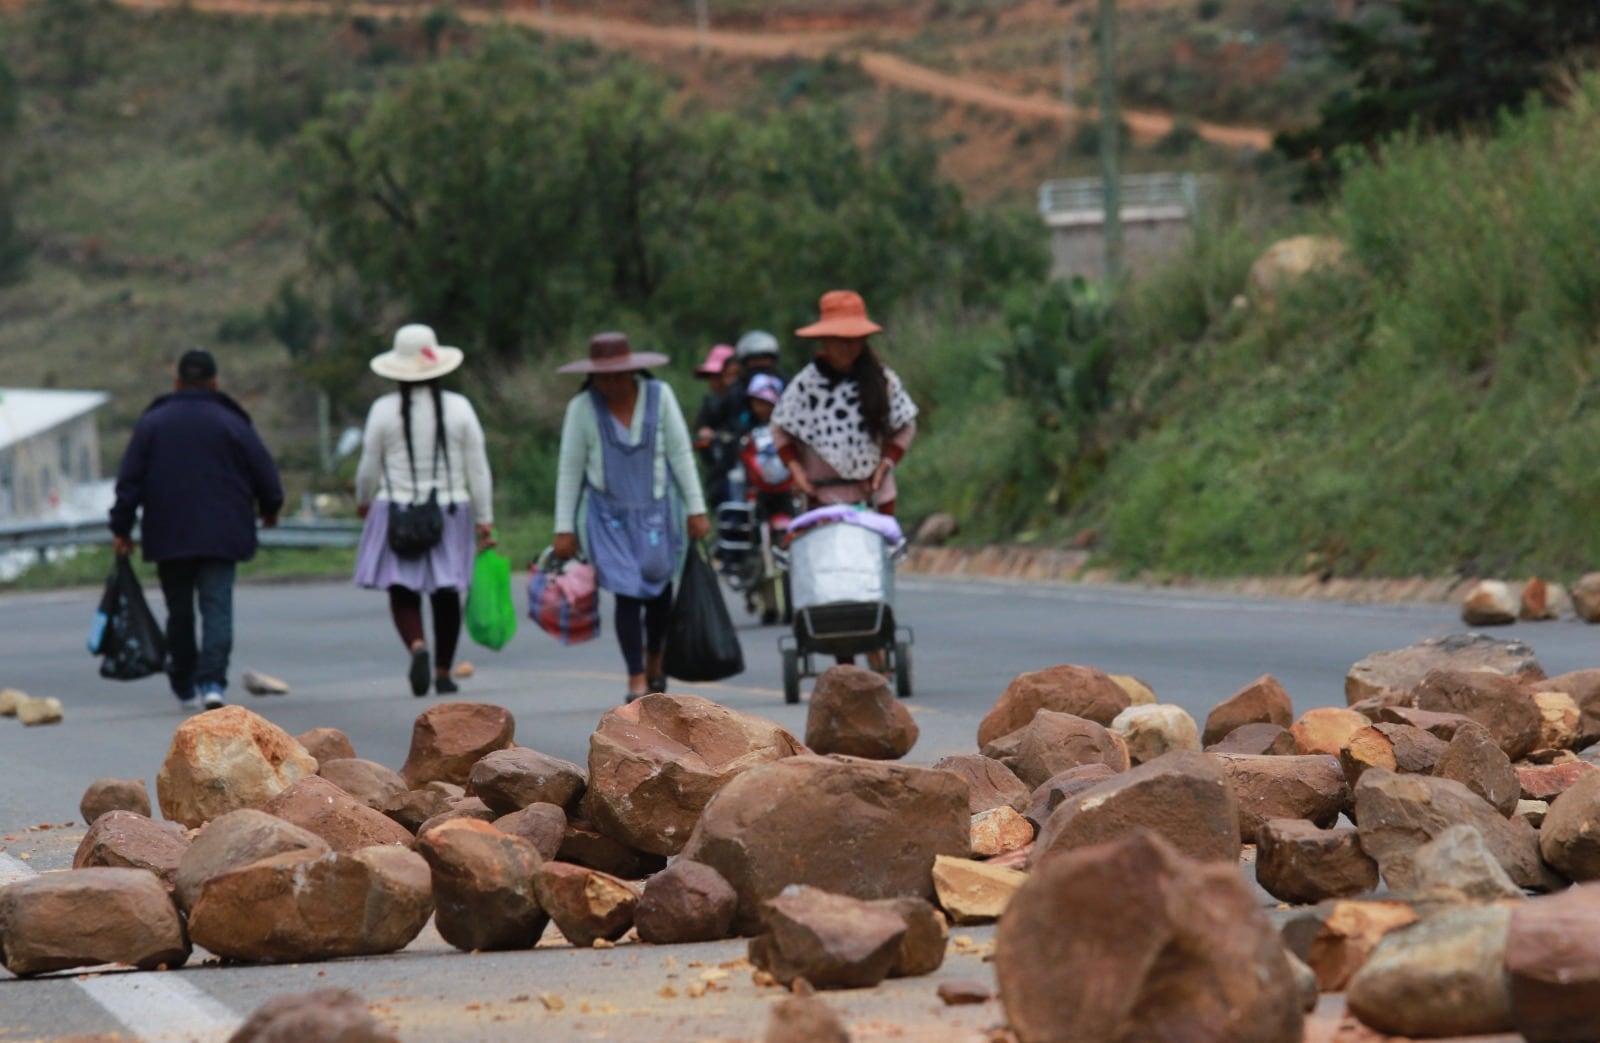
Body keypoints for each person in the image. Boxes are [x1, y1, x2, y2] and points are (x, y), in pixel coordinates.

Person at [109, 348, 284, 710]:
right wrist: (270, 508)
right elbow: (263, 471)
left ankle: (184, 681)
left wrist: (122, 527)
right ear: (215, 382)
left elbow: (130, 481)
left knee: (180, 611)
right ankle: (212, 683)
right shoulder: (232, 421)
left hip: (169, 533)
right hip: (223, 533)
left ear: (177, 383)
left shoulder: (152, 423)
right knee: (216, 606)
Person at [552, 332, 710, 703]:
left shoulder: (660, 397)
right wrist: (564, 527)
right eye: (602, 378)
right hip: (608, 517)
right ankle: (636, 676)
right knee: (626, 593)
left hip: (656, 512)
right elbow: (570, 469)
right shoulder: (583, 408)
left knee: (658, 593)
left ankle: (655, 656)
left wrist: (696, 507)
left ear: (632, 371)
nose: (610, 385)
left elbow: (681, 454)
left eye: (617, 376)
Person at [353, 324, 495, 697]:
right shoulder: (460, 407)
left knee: (403, 588)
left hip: (397, 508)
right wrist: (485, 518)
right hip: (450, 509)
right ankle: (444, 672)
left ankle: (417, 645)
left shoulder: (382, 410)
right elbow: (477, 468)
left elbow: (368, 466)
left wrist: (364, 501)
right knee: (446, 592)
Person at [771, 290, 918, 515]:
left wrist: (884, 466)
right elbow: (781, 428)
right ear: (824, 340)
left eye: (852, 340)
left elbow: (906, 425)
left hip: (875, 498)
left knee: (885, 549)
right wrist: (797, 473)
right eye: (838, 340)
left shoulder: (883, 381)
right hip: (820, 500)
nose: (845, 347)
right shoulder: (806, 385)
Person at [691, 343, 741, 508]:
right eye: (713, 377)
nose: (716, 382)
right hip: (719, 469)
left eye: (720, 376)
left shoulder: (743, 400)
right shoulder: (710, 402)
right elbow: (701, 428)